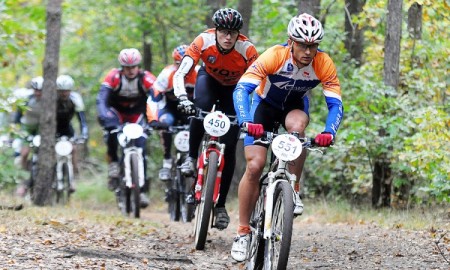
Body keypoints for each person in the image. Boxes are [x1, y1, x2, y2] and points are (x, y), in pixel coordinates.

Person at [230, 13, 344, 261]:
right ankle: (242, 232)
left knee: (298, 129)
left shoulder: (323, 63)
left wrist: (328, 132)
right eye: (302, 44)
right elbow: (242, 88)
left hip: (293, 108)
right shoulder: (274, 55)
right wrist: (245, 121)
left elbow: (336, 104)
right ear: (290, 41)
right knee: (255, 165)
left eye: (313, 45)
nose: (307, 51)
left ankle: (293, 186)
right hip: (264, 107)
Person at [173, 8, 258, 230]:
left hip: (235, 90)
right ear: (216, 30)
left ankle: (220, 206)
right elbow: (181, 72)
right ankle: (191, 158)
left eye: (233, 33)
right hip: (208, 81)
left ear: (239, 34)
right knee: (199, 109)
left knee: (229, 148)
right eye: (224, 32)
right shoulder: (203, 40)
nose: (228, 37)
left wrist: (250, 115)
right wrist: (182, 97)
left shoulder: (247, 49)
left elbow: (260, 82)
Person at [96, 48, 156, 208]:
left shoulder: (146, 78)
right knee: (111, 134)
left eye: (134, 67)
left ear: (139, 66)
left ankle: (142, 190)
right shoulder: (113, 76)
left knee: (140, 147)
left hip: (137, 114)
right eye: (127, 67)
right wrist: (104, 115)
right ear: (122, 67)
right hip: (117, 113)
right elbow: (102, 99)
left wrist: (155, 118)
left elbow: (157, 96)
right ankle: (114, 163)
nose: (131, 70)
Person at [15, 75, 89, 195]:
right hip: (34, 128)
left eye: (67, 91)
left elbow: (82, 120)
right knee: (25, 153)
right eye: (61, 91)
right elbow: (18, 117)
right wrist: (17, 131)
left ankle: (74, 175)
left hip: (62, 128)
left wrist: (84, 133)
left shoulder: (75, 99)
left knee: (73, 149)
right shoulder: (40, 99)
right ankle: (23, 181)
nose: (64, 94)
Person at [146, 44, 198, 181]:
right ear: (174, 63)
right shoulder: (166, 74)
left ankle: (192, 158)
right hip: (169, 110)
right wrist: (153, 119)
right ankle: (167, 162)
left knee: (196, 123)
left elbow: (209, 98)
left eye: (189, 63)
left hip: (189, 111)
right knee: (165, 124)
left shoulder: (199, 73)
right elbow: (153, 98)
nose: (185, 67)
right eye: (179, 63)